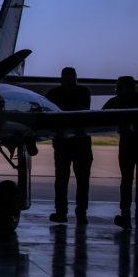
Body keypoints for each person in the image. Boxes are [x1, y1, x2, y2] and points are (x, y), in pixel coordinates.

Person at [103, 76, 138, 230]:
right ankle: (135, 218)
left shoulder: (124, 101)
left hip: (137, 145)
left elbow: (102, 114)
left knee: (131, 182)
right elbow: (102, 114)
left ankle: (132, 217)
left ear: (129, 88)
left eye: (119, 88)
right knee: (135, 182)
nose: (116, 91)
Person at [45, 67, 93, 224]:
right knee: (80, 181)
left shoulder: (53, 94)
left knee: (62, 180)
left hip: (63, 144)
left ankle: (62, 212)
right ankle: (80, 213)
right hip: (80, 144)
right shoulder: (84, 93)